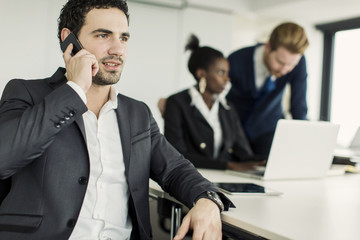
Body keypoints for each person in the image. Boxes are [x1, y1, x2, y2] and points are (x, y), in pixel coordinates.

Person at [0, 1, 234, 239]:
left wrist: (207, 198)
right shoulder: (26, 93)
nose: (117, 49)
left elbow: (175, 169)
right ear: (68, 40)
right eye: (103, 35)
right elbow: (4, 157)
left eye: (123, 38)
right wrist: (74, 90)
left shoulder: (138, 114)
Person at [163, 34, 265, 171]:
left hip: (224, 179)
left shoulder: (227, 107)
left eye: (227, 73)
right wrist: (228, 166)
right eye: (221, 73)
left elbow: (244, 152)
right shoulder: (177, 103)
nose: (227, 79)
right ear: (201, 74)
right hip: (189, 176)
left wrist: (266, 161)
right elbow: (176, 154)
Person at [227, 22, 309, 157]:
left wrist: (303, 144)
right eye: (280, 62)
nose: (284, 70)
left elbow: (298, 106)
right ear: (268, 47)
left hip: (269, 131)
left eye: (291, 65)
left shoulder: (300, 63)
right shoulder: (236, 60)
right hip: (235, 133)